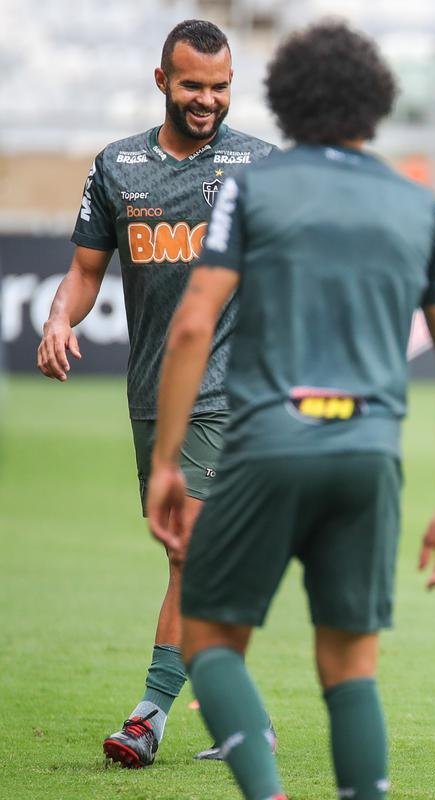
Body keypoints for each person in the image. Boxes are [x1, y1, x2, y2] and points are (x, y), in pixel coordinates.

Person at [146, 20, 435, 800]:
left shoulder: (251, 187)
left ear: (284, 101)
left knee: (210, 638)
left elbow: (194, 325)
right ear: (378, 105)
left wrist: (168, 462)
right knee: (350, 666)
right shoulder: (420, 205)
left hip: (267, 444)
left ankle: (266, 793)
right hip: (368, 455)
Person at [35, 19, 276, 768]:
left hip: (233, 389)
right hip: (154, 396)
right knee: (195, 552)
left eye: (222, 86)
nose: (208, 100)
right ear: (162, 81)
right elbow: (84, 272)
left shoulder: (258, 167)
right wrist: (56, 316)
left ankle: (149, 715)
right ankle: (244, 716)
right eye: (194, 85)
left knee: (191, 553)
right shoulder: (118, 168)